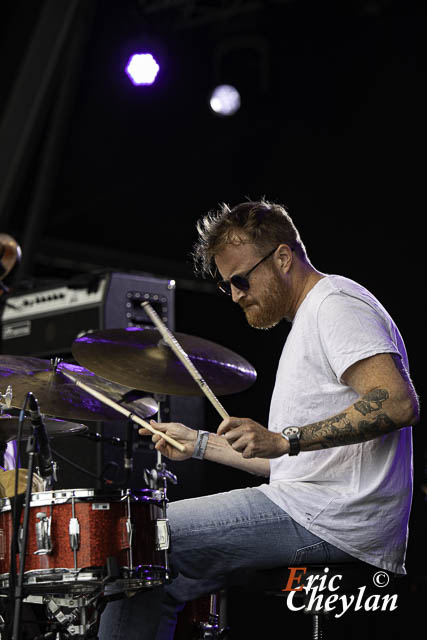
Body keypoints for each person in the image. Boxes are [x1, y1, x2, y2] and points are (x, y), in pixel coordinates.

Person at [98, 200, 419, 639]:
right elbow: (290, 462)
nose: (235, 295)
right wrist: (199, 443)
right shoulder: (311, 317)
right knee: (155, 577)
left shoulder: (336, 306)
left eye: (241, 279)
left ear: (283, 258)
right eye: (227, 285)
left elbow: (398, 403)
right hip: (313, 507)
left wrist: (285, 439)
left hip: (334, 521)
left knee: (144, 535)